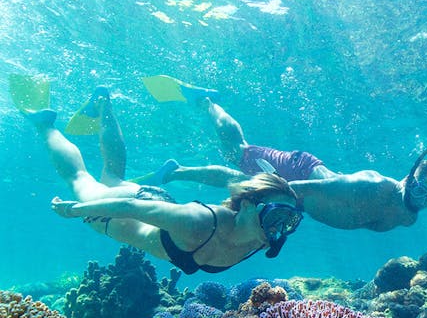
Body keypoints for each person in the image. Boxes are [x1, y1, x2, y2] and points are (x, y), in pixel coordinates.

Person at [22, 87, 303, 274]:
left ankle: (102, 103)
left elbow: (236, 179)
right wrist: (74, 211)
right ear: (249, 206)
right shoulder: (199, 221)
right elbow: (128, 208)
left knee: (112, 175)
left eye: (289, 222)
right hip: (117, 215)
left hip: (158, 205)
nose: (280, 228)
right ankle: (45, 124)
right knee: (79, 179)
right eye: (277, 216)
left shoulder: (259, 238)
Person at [141, 96, 427, 232]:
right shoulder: (375, 187)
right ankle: (208, 103)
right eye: (420, 191)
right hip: (298, 174)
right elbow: (316, 187)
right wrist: (275, 190)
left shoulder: (408, 217)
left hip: (301, 193)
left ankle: (173, 172)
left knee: (235, 174)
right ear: (409, 178)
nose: (421, 202)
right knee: (238, 152)